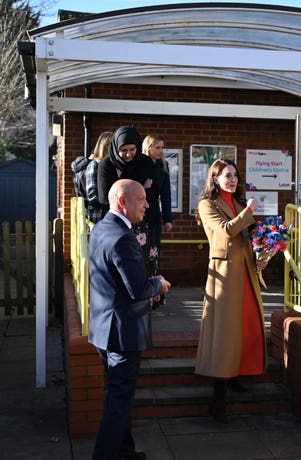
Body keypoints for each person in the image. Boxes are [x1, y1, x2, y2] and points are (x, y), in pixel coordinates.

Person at [88, 179, 171, 460]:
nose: (148, 205)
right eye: (142, 199)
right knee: (118, 403)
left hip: (103, 330)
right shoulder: (123, 237)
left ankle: (125, 452)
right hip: (122, 333)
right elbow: (137, 289)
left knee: (117, 398)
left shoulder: (101, 228)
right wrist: (158, 284)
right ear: (123, 202)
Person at [194, 158, 267, 423]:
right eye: (227, 175)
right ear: (215, 178)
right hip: (224, 275)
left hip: (245, 271)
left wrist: (263, 254)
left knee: (245, 326)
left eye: (235, 175)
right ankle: (218, 399)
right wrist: (246, 213)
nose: (232, 179)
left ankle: (236, 375)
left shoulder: (237, 203)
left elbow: (250, 236)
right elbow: (225, 232)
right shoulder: (206, 204)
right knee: (225, 331)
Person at [98, 126, 162, 308]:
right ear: (115, 149)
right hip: (118, 224)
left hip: (143, 222)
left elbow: (153, 192)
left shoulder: (146, 163)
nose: (128, 155)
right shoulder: (106, 165)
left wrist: (131, 196)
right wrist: (140, 189)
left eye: (132, 150)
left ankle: (149, 300)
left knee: (144, 262)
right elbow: (105, 198)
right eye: (123, 150)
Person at [142, 134, 173, 252]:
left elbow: (166, 194)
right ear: (148, 148)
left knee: (155, 247)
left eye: (162, 148)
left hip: (154, 210)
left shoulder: (163, 166)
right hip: (140, 209)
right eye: (158, 148)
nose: (161, 151)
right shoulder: (140, 165)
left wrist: (167, 219)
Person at [85, 131, 112, 223]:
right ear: (105, 147)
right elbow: (92, 194)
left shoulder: (110, 165)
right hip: (98, 214)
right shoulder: (94, 165)